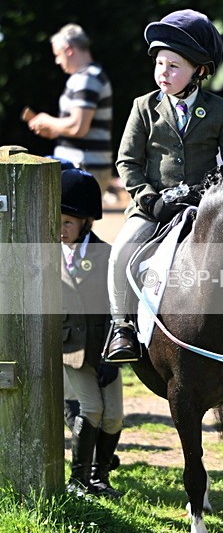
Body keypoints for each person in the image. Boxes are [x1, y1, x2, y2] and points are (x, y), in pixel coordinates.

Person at [104, 9, 223, 362]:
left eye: (173, 66)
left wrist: (210, 193)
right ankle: (121, 327)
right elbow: (127, 162)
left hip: (203, 207)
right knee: (120, 251)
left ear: (198, 70)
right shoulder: (143, 107)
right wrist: (149, 199)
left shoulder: (219, 110)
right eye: (159, 64)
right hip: (153, 207)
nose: (163, 73)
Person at [61, 168, 124, 498]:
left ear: (86, 222)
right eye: (56, 222)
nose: (61, 230)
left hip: (103, 349)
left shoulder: (107, 255)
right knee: (92, 409)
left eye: (67, 223)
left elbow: (119, 308)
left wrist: (113, 358)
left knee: (113, 417)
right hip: (69, 351)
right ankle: (78, 481)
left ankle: (101, 477)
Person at [26, 23, 115, 197]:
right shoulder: (88, 76)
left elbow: (78, 127)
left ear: (68, 50)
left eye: (57, 55)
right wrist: (54, 131)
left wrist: (46, 120)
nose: (57, 61)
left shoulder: (87, 78)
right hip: (85, 167)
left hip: (82, 169)